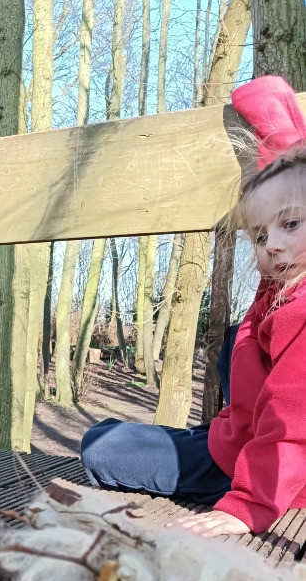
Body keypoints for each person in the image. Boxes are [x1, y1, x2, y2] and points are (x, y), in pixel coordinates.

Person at [81, 75, 306, 539]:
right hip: (237, 439)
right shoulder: (280, 292)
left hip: (263, 473)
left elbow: (292, 421)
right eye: (260, 235)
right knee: (231, 344)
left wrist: (247, 505)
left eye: (291, 223)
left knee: (99, 449)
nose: (273, 246)